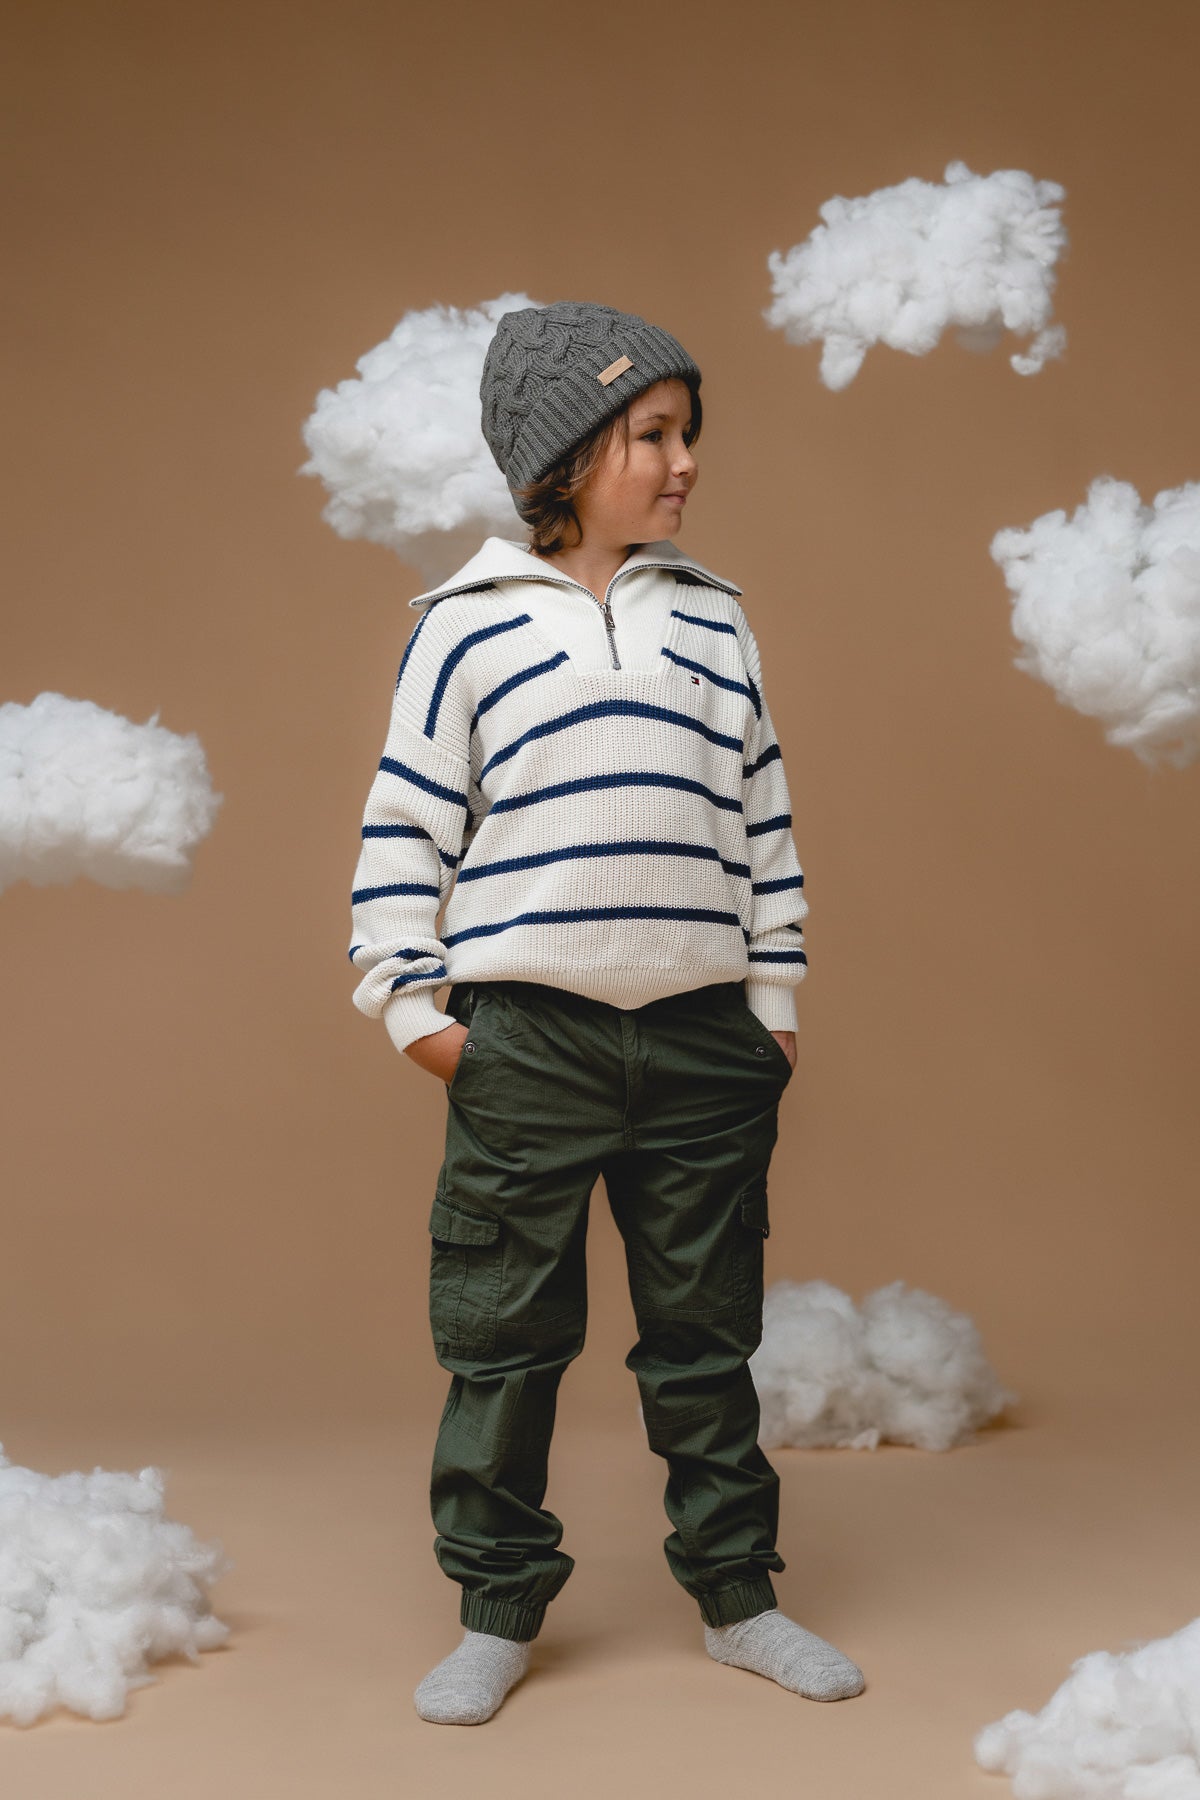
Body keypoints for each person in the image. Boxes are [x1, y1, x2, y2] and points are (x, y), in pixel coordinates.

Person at [347, 300, 865, 1723]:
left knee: (707, 1340)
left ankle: (741, 1599)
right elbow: (405, 828)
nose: (686, 461)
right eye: (654, 434)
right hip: (528, 1041)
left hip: (704, 1040)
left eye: (689, 434)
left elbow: (762, 816)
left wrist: (771, 1002)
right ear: (566, 453)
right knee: (504, 1343)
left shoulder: (714, 616)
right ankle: (496, 1609)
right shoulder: (461, 630)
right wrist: (417, 1015)